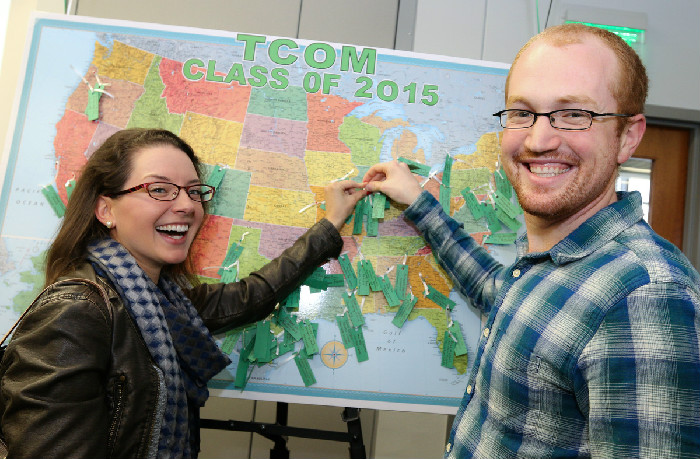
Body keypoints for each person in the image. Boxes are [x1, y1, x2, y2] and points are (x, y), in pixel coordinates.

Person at [363, 23, 700, 458]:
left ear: (628, 137)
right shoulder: (558, 264)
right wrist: (418, 203)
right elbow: (495, 290)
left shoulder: (643, 296)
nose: (539, 140)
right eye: (522, 113)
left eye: (575, 114)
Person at [0, 128, 365, 459]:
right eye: (159, 189)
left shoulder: (163, 304)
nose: (188, 205)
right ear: (105, 209)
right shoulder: (76, 312)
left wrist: (331, 223)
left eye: (194, 191)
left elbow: (254, 295)